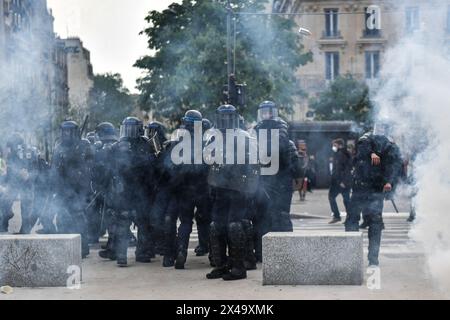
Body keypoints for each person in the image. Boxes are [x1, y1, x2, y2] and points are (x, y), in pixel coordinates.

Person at [206, 104, 258, 281]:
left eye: (229, 117)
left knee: (234, 226)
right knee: (216, 226)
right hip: (219, 188)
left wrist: (250, 188)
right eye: (223, 117)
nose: (225, 120)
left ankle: (238, 267)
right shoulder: (213, 136)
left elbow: (254, 165)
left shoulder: (244, 137)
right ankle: (221, 265)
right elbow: (208, 163)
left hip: (238, 189)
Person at [103, 117, 156, 267]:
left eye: (132, 128)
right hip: (124, 190)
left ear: (139, 129)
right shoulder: (117, 146)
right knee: (122, 222)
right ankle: (121, 255)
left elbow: (152, 165)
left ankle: (142, 253)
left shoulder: (145, 144)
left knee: (143, 222)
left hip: (141, 189)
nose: (130, 132)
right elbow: (108, 167)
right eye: (127, 128)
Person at [344, 128, 402, 267]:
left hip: (376, 190)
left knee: (375, 224)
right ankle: (352, 257)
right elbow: (363, 146)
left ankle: (373, 260)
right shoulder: (367, 139)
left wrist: (389, 182)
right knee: (352, 221)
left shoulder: (390, 145)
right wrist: (372, 153)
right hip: (360, 189)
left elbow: (394, 166)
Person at [162, 110, 208, 269]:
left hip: (184, 190)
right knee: (206, 221)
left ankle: (181, 251)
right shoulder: (206, 142)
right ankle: (215, 257)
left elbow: (168, 168)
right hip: (201, 189)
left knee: (185, 223)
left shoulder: (176, 142)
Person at [51, 121, 94, 258]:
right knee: (63, 218)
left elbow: (91, 165)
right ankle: (65, 248)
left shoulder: (84, 145)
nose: (66, 134)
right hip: (64, 188)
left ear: (75, 132)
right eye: (64, 131)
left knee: (79, 219)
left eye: (69, 131)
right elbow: (55, 170)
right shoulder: (59, 148)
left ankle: (82, 248)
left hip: (80, 189)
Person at [328, 139, 352, 224]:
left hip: (342, 182)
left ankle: (341, 217)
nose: (333, 147)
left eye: (334, 145)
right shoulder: (338, 154)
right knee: (343, 199)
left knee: (345, 199)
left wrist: (344, 181)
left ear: (339, 145)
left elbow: (347, 169)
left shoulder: (343, 154)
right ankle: (341, 216)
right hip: (337, 181)